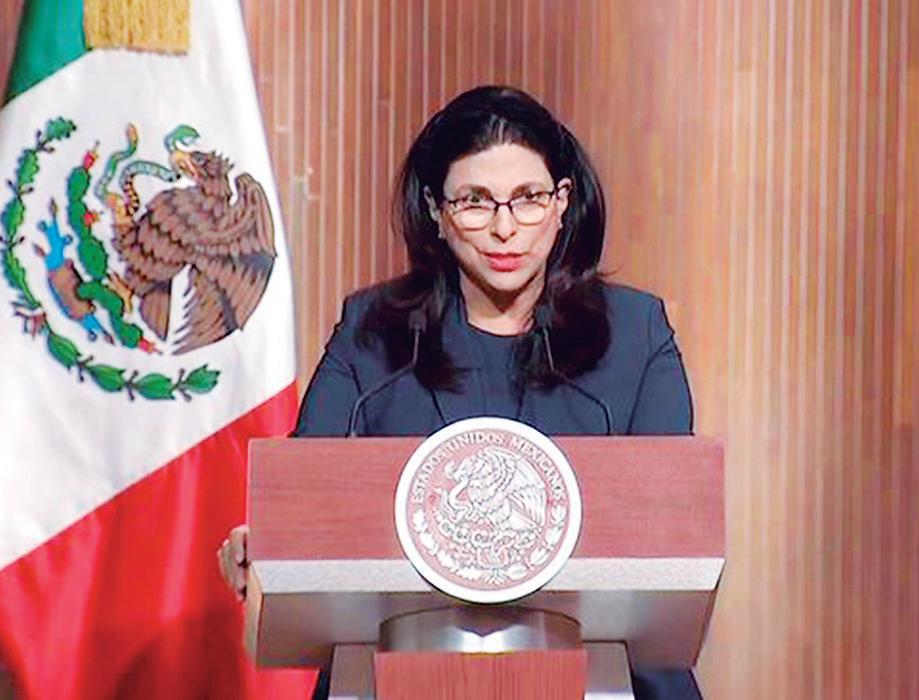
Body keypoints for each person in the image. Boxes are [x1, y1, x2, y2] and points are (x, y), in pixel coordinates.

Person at [218, 85, 698, 699]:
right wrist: (264, 542)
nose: (504, 229)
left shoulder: (635, 332)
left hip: (610, 673)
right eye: (474, 202)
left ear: (563, 203)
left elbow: (669, 523)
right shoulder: (375, 333)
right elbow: (306, 497)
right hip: (397, 667)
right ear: (436, 213)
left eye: (528, 199)